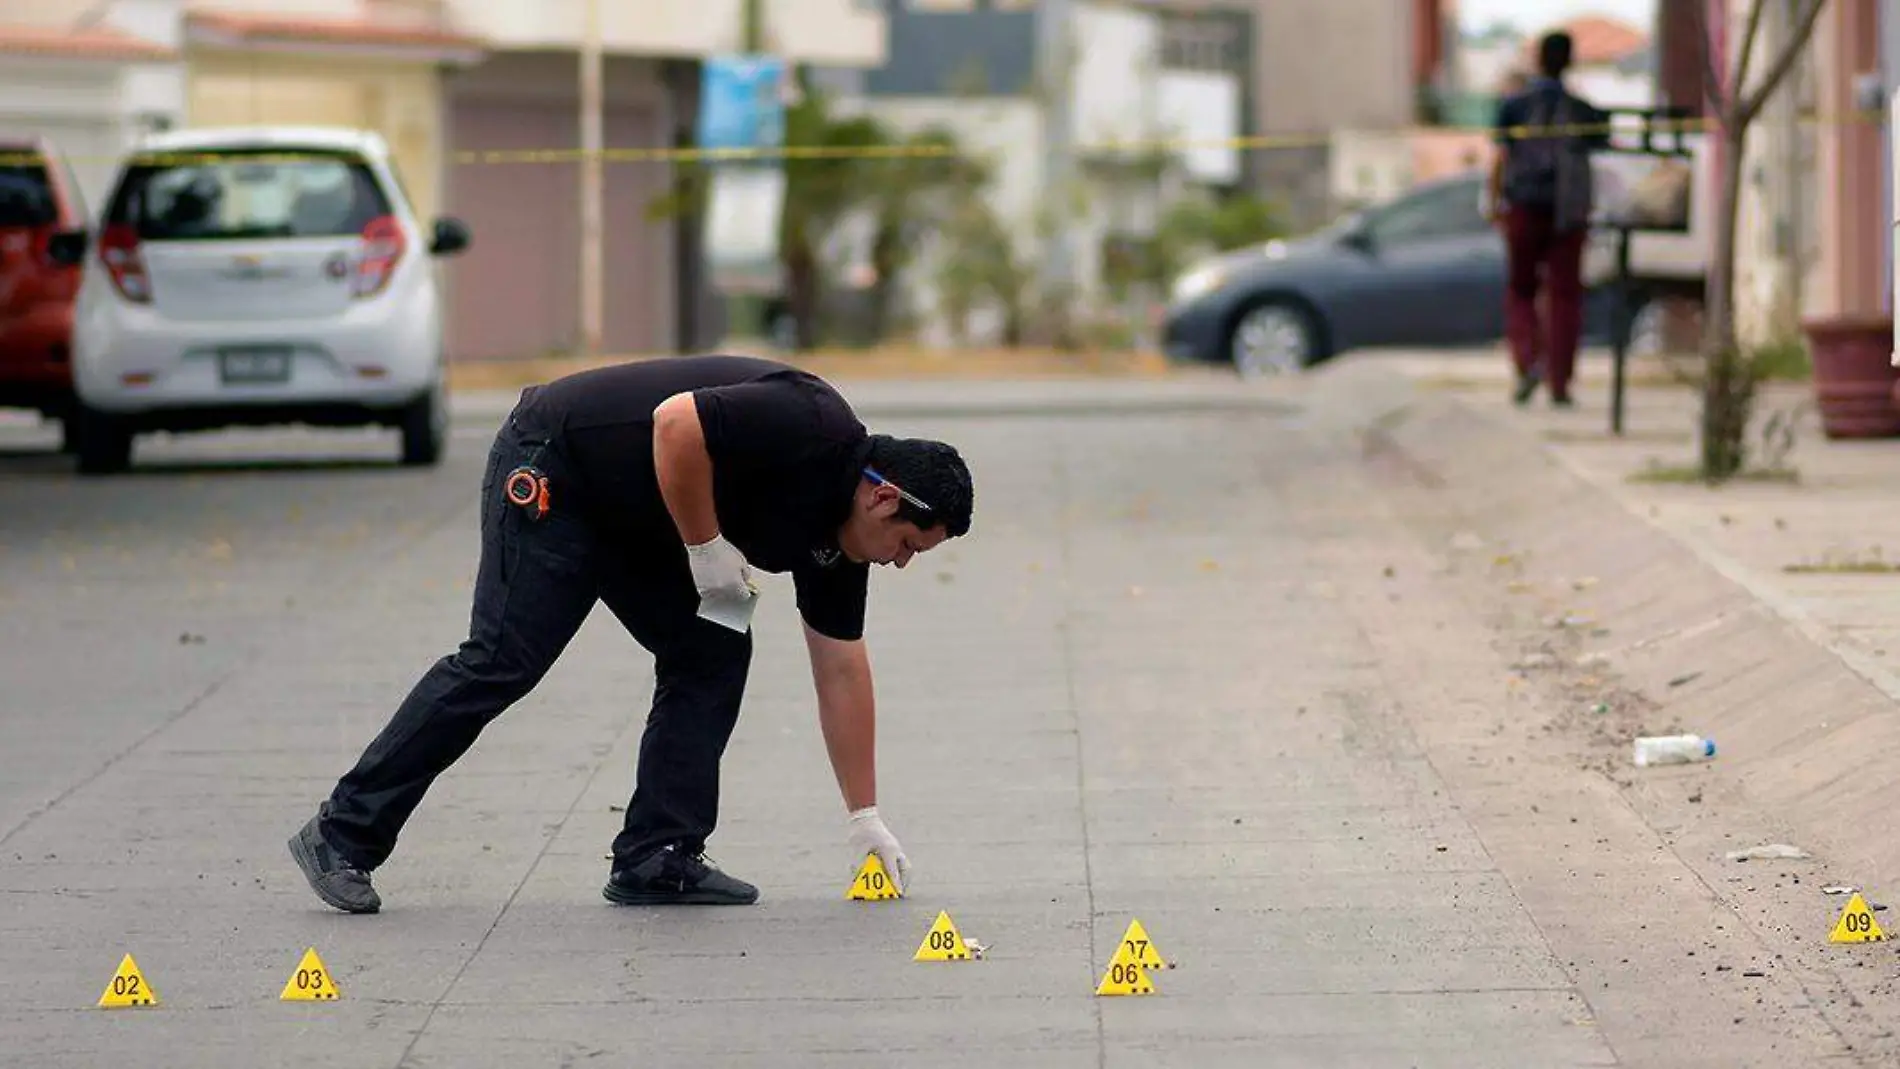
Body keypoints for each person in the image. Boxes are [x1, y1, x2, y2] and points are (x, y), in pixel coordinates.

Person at [288, 354, 975, 913]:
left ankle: (658, 853)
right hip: (559, 464)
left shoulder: (840, 547)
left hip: (641, 518)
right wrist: (706, 549)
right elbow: (676, 423)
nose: (903, 561)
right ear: (883, 496)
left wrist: (866, 816)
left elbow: (842, 671)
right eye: (910, 543)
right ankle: (341, 831)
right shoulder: (812, 422)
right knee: (502, 658)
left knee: (714, 646)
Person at [1487, 31, 1609, 408]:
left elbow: (1501, 158)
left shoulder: (1514, 106)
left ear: (1538, 59)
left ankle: (1527, 363)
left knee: (1521, 289)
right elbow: (1600, 155)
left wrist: (1495, 201)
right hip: (1569, 213)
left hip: (1524, 206)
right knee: (1565, 295)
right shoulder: (1582, 110)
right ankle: (1560, 380)